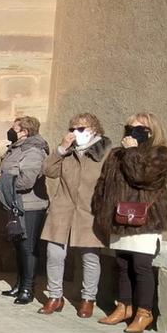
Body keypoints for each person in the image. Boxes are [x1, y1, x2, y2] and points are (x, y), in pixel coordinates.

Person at [91, 112, 167, 333]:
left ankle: (144, 313)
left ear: (151, 131)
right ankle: (124, 307)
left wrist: (132, 151)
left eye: (138, 128)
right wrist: (100, 209)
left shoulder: (162, 153)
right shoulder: (116, 154)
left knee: (140, 266)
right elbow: (104, 183)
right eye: (129, 127)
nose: (131, 132)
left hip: (146, 220)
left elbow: (143, 177)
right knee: (122, 265)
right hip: (119, 218)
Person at [39, 113, 112, 316]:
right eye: (73, 129)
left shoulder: (104, 153)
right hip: (62, 209)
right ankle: (55, 296)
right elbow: (48, 170)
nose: (75, 133)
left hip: (89, 211)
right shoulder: (68, 153)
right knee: (54, 254)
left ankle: (88, 299)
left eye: (81, 128)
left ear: (94, 130)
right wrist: (61, 149)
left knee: (89, 257)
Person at [0, 116, 50, 305]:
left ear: (24, 131)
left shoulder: (33, 151)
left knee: (28, 247)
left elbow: (26, 181)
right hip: (15, 204)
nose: (11, 131)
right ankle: (19, 284)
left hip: (30, 205)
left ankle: (28, 288)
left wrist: (0, 181)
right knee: (18, 246)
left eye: (14, 128)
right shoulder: (15, 149)